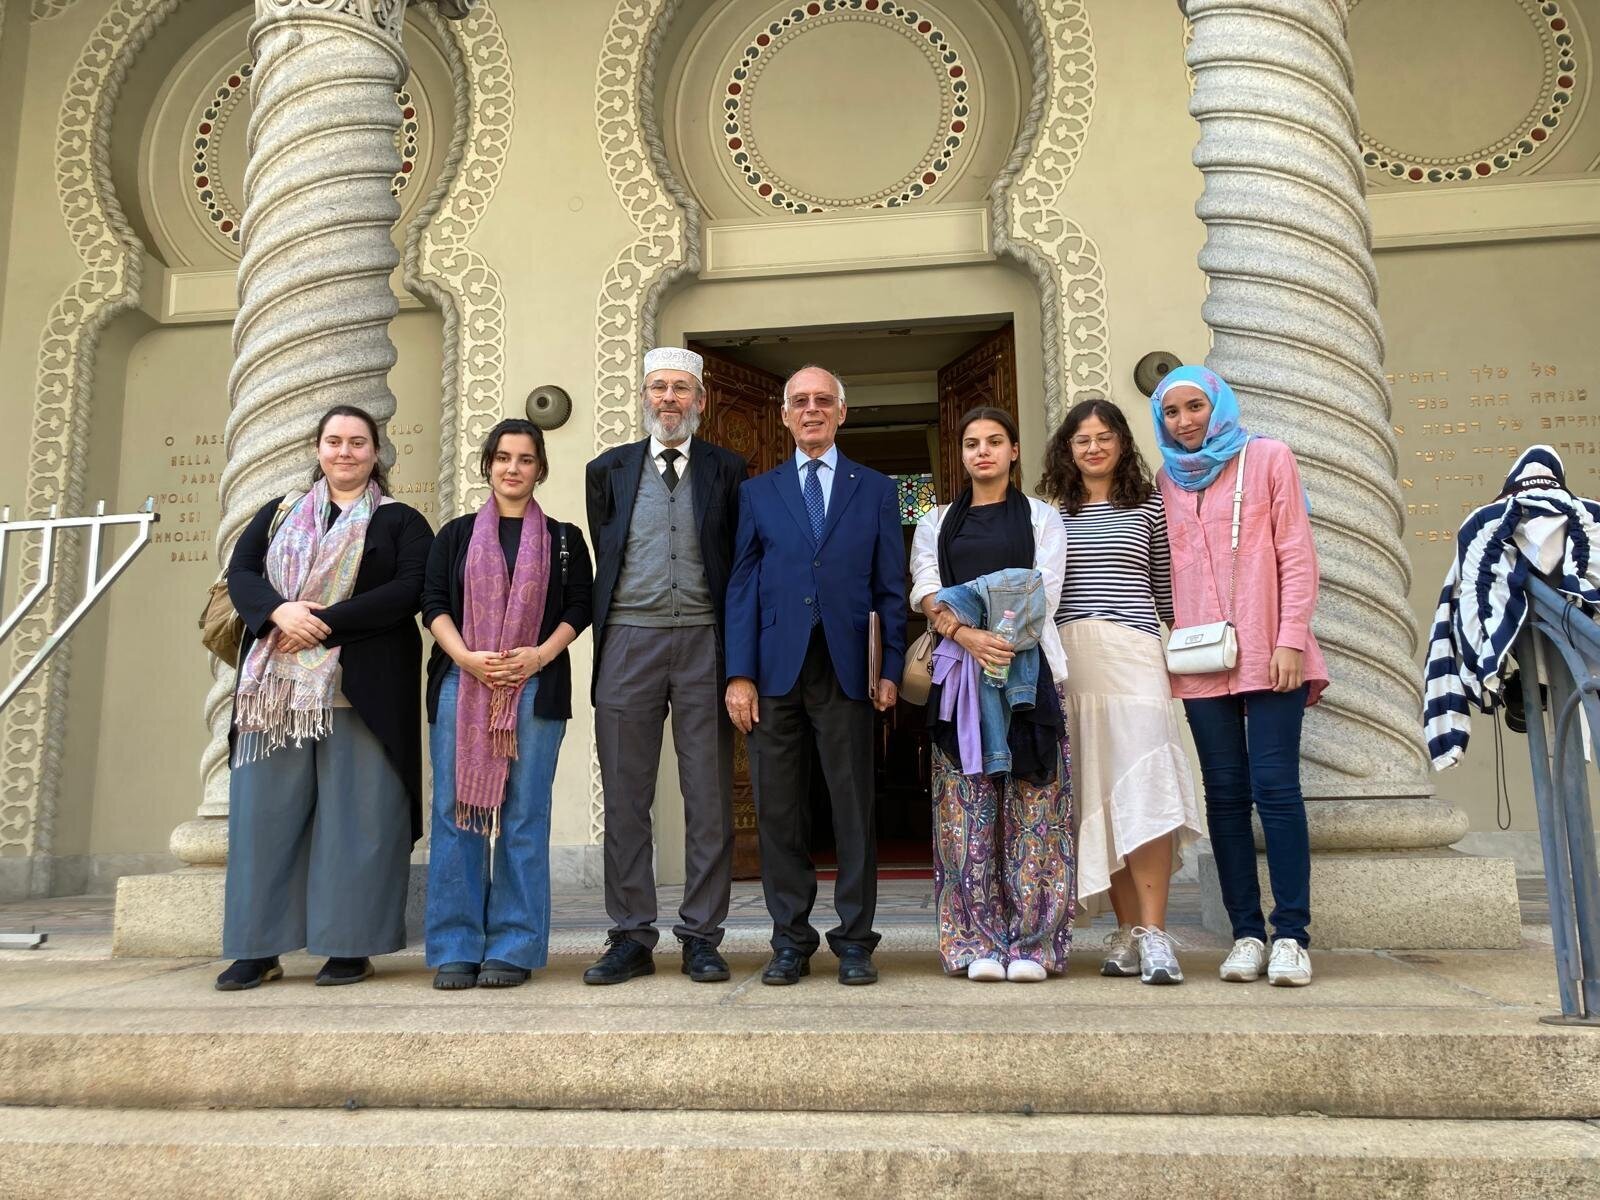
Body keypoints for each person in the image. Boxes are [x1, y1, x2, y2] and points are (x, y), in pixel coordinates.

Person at [216, 404, 433, 990]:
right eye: (334, 441)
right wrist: (277, 611)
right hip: (275, 694)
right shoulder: (278, 513)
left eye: (358, 443)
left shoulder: (402, 522)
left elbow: (410, 589)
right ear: (317, 450)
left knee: (359, 823)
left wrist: (323, 622)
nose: (345, 452)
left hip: (362, 695)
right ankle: (256, 950)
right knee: (264, 821)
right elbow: (241, 575)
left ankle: (349, 945)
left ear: (376, 453)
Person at [724, 364, 906, 987]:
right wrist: (739, 673)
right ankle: (790, 940)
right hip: (775, 670)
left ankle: (855, 940)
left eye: (822, 401)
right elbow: (741, 584)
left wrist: (894, 668)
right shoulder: (758, 491)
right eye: (799, 401)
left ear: (842, 412)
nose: (811, 410)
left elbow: (890, 587)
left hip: (850, 668)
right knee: (779, 811)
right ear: (783, 415)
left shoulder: (877, 489)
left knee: (852, 808)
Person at [1151, 365, 1328, 988]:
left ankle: (1292, 937)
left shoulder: (1267, 458)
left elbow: (1297, 555)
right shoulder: (1165, 480)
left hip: (1270, 649)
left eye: (1194, 406)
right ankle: (1247, 933)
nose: (1184, 421)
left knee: (1276, 789)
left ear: (1218, 405)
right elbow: (1163, 568)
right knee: (1224, 796)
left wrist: (1290, 640)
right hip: (1203, 661)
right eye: (1171, 413)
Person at [582, 347, 746, 986]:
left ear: (700, 401)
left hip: (706, 641)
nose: (669, 399)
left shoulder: (728, 469)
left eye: (682, 389)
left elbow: (737, 556)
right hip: (628, 640)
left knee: (707, 795)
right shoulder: (609, 470)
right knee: (625, 794)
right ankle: (630, 935)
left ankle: (702, 935)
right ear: (644, 397)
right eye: (659, 388)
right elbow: (607, 545)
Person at [422, 419, 593, 989]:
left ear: (540, 468)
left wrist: (539, 656)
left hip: (536, 688)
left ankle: (515, 946)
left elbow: (579, 606)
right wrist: (467, 658)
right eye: (502, 457)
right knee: (456, 813)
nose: (513, 468)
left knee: (523, 818)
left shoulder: (565, 539)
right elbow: (434, 604)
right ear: (487, 465)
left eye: (524, 458)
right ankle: (455, 944)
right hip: (462, 684)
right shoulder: (456, 535)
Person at [1039, 397, 1202, 986]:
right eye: (1082, 439)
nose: (1093, 447)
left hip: (1134, 655)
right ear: (1067, 448)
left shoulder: (1150, 504)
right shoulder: (1049, 513)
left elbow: (1166, 592)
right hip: (1070, 662)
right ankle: (1129, 934)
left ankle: (1157, 935)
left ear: (1121, 443)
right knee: (1097, 793)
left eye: (1104, 436)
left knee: (1145, 788)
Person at [910, 406, 1076, 981]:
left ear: (1013, 452)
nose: (983, 451)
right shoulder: (936, 523)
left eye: (995, 441)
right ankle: (973, 941)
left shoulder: (1042, 518)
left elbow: (1041, 593)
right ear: (961, 455)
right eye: (972, 443)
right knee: (966, 811)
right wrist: (967, 635)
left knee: (1037, 810)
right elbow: (928, 593)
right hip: (960, 677)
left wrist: (990, 633)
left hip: (1030, 678)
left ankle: (1035, 944)